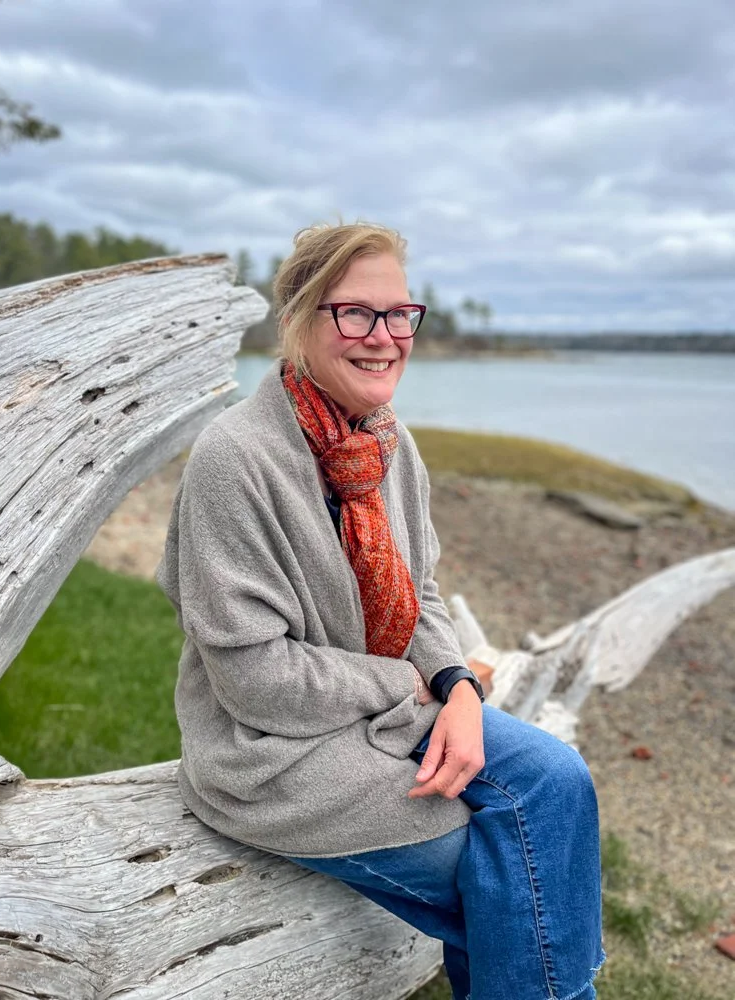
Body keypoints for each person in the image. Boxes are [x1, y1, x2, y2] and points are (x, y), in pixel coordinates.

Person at [155, 221, 604, 1000]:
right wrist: (412, 691)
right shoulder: (236, 459)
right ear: (297, 317)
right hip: (273, 751)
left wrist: (459, 687)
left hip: (396, 710)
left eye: (400, 314)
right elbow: (256, 680)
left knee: (557, 781)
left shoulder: (391, 441)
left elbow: (421, 590)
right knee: (502, 865)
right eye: (355, 313)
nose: (385, 337)